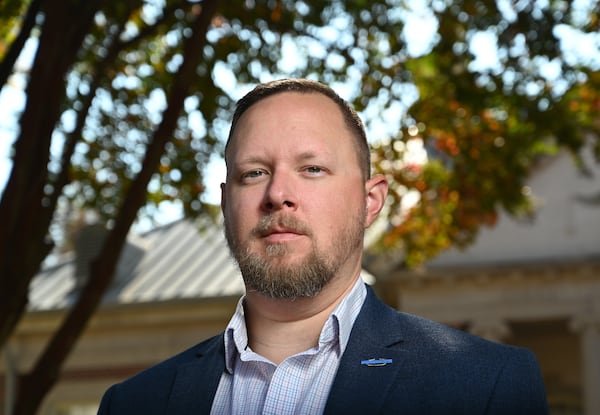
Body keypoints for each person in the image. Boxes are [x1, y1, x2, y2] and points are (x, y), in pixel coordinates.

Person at [98, 78, 549, 414]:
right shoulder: (135, 404)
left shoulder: (487, 386)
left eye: (311, 168)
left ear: (370, 201)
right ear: (225, 204)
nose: (277, 193)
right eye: (253, 172)